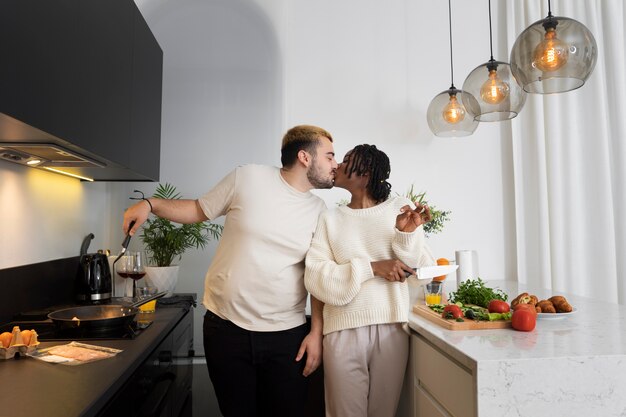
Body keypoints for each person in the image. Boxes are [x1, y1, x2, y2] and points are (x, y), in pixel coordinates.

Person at [122, 125, 338, 417]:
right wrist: (151, 204)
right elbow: (198, 210)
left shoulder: (319, 210)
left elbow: (317, 276)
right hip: (226, 330)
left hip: (287, 337)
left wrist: (316, 334)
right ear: (305, 157)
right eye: (330, 156)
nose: (335, 164)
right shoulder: (248, 177)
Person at [304, 144, 435, 417]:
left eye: (347, 160)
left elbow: (422, 272)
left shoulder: (400, 208)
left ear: (364, 174)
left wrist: (406, 234)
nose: (337, 164)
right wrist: (372, 268)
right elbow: (316, 278)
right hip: (341, 331)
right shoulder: (329, 219)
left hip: (391, 329)